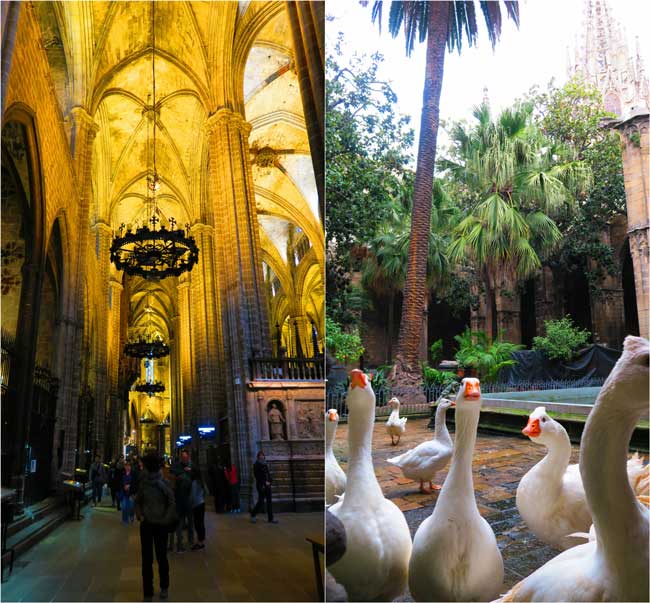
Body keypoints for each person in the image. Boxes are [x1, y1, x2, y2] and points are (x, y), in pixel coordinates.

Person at [135, 452, 175, 602]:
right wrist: (140, 515)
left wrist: (165, 519)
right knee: (146, 559)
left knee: (161, 556)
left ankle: (164, 586)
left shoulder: (163, 483)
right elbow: (138, 501)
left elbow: (171, 502)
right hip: (146, 525)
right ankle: (148, 592)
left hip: (160, 525)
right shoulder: (144, 484)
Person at [171, 449, 193, 551]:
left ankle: (190, 540)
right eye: (182, 457)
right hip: (180, 500)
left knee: (190, 521)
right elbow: (172, 471)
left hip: (188, 499)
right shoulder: (178, 467)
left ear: (188, 457)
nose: (184, 458)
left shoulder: (192, 467)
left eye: (185, 457)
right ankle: (179, 543)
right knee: (180, 522)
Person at [250, 451, 277, 524]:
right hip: (261, 486)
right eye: (260, 455)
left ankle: (271, 518)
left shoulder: (265, 464)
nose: (262, 456)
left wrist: (270, 481)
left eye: (263, 455)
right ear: (258, 456)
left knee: (269, 502)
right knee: (261, 501)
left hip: (267, 485)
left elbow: (268, 474)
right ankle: (253, 514)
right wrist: (264, 482)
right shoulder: (256, 465)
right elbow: (257, 476)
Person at [190, 466, 206, 550]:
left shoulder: (194, 483)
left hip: (196, 505)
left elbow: (192, 496)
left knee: (197, 524)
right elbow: (207, 491)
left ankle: (200, 543)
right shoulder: (201, 481)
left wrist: (190, 503)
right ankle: (202, 541)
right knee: (201, 523)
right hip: (202, 503)